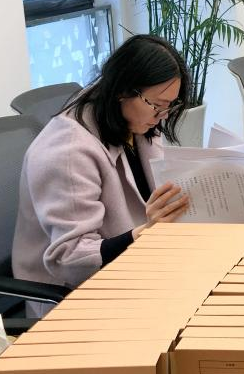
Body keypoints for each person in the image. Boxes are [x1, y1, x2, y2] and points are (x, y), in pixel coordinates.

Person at [13, 35, 191, 297]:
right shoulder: (68, 152)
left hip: (138, 268)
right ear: (122, 90)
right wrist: (145, 233)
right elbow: (71, 259)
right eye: (156, 105)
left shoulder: (133, 120)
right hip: (79, 294)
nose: (161, 116)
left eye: (168, 107)